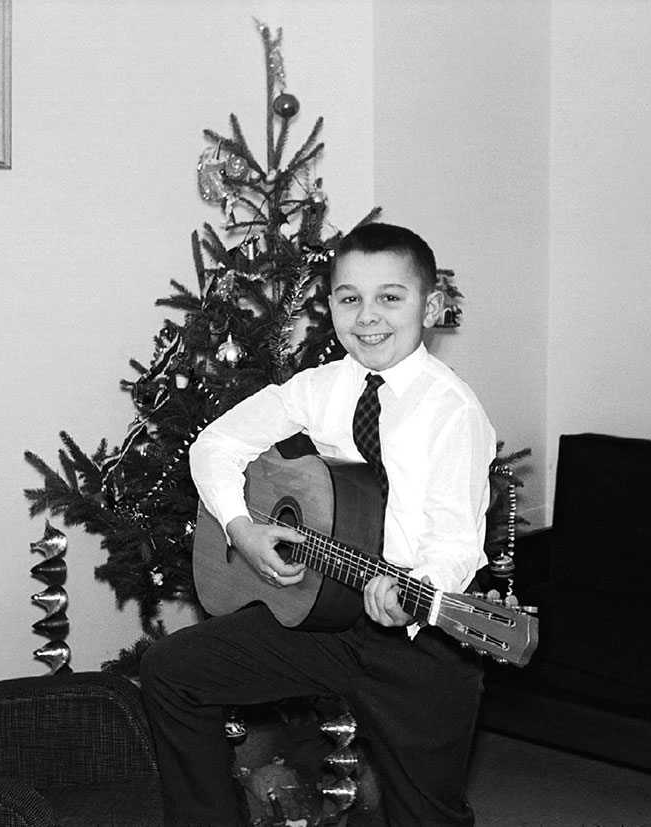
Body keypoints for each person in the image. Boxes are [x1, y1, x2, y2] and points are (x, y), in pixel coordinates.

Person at [140, 222, 497, 826]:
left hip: (419, 638)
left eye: (390, 297)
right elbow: (214, 445)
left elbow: (455, 543)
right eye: (349, 297)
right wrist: (242, 529)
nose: (368, 316)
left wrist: (415, 591)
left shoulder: (452, 411)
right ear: (329, 305)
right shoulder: (318, 388)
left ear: (431, 306)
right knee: (172, 673)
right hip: (326, 615)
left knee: (426, 816)